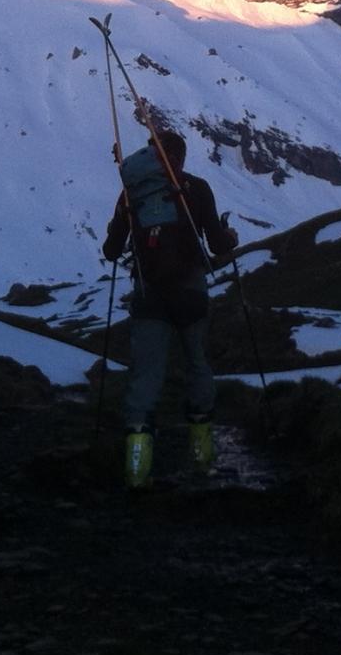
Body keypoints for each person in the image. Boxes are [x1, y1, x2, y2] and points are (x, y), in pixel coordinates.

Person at [101, 125, 239, 489]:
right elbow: (218, 244)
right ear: (181, 157)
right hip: (191, 293)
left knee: (146, 375)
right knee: (198, 365)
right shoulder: (196, 188)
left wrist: (122, 224)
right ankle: (202, 457)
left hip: (150, 296)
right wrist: (230, 237)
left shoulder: (133, 191)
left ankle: (137, 467)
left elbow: (112, 251)